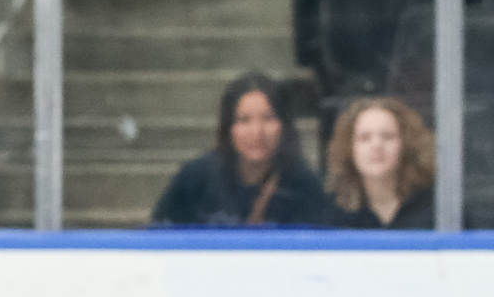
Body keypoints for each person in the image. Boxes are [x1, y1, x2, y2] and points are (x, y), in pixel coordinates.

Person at [149, 72, 328, 227]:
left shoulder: (305, 186)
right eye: (244, 120)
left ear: (284, 125)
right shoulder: (196, 179)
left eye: (268, 118)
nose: (257, 132)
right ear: (228, 128)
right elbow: (158, 232)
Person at [325, 96, 434, 230]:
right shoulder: (331, 214)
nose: (376, 145)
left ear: (407, 145)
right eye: (365, 138)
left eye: (388, 136)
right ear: (348, 148)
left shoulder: (437, 207)